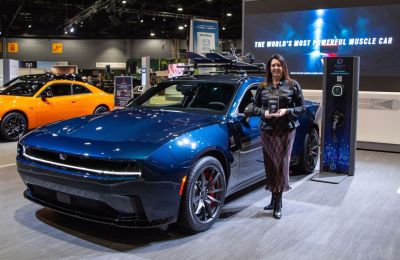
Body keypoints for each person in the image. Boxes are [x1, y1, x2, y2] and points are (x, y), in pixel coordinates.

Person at [246, 53, 305, 219]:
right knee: (271, 165)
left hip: (286, 130)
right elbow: (254, 108)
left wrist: (287, 111)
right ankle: (273, 200)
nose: (276, 68)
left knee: (281, 165)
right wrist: (265, 112)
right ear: (269, 68)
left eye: (279, 65)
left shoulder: (293, 84)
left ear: (283, 67)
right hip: (267, 130)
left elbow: (302, 108)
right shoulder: (263, 86)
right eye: (273, 65)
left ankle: (278, 203)